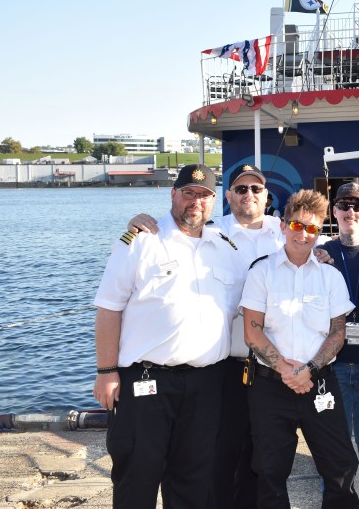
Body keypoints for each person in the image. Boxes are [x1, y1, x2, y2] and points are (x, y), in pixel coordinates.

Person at [92, 164, 242, 509]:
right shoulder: (141, 241)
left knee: (194, 478)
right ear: (173, 194)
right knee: (137, 477)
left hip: (206, 385)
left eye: (204, 195)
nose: (196, 202)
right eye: (189, 193)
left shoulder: (225, 247)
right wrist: (106, 372)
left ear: (214, 201)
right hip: (147, 382)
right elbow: (108, 309)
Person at [240, 188, 359, 509]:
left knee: (341, 468)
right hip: (270, 387)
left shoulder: (331, 277)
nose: (304, 234)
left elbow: (337, 333)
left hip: (319, 383)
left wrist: (309, 370)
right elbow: (252, 331)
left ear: (319, 232)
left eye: (312, 228)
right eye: (297, 226)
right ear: (283, 227)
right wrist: (287, 369)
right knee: (268, 472)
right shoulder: (261, 271)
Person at [317, 182, 359, 509]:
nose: (350, 211)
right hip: (334, 365)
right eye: (343, 205)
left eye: (357, 205)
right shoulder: (321, 253)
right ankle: (341, 500)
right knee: (337, 442)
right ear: (334, 212)